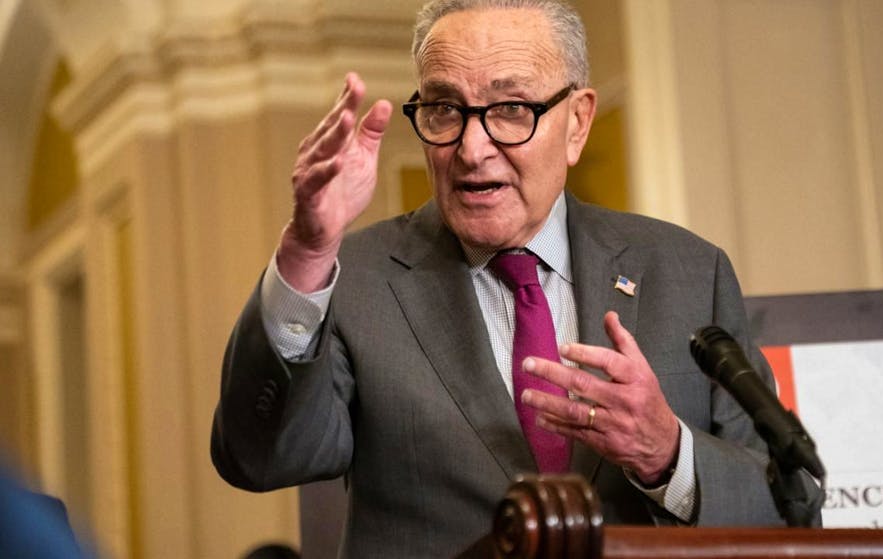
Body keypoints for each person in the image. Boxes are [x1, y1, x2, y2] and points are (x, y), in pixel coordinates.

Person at [211, 0, 821, 556]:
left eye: (510, 110)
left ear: (577, 123)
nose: (472, 148)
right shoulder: (357, 281)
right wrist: (308, 255)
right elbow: (257, 457)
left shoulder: (687, 272)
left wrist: (668, 456)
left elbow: (790, 510)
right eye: (445, 109)